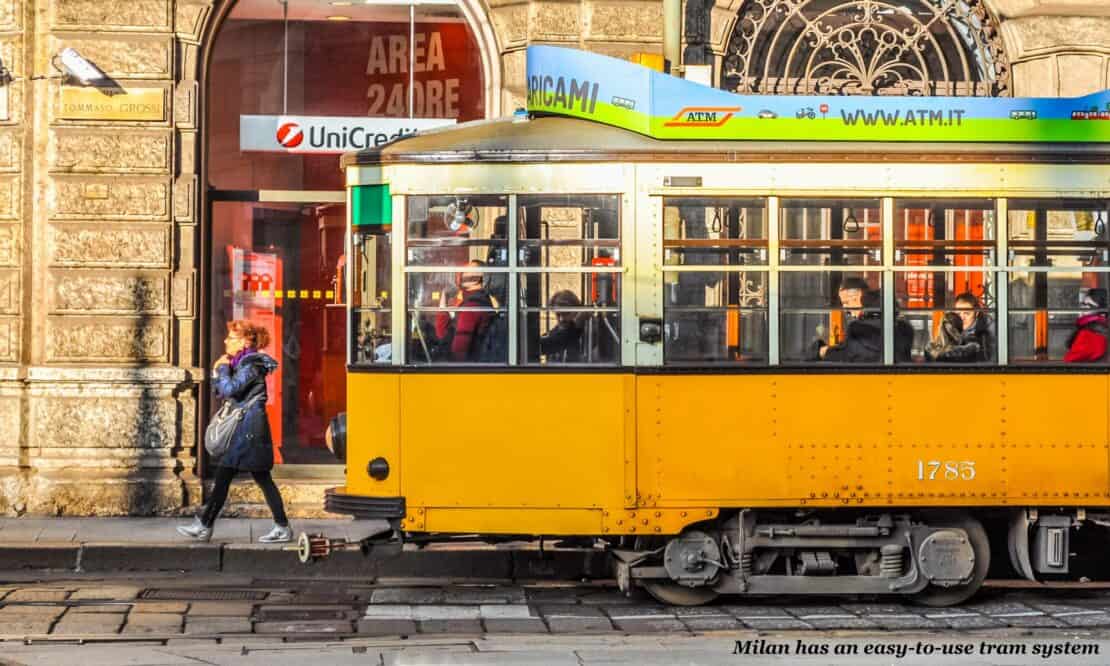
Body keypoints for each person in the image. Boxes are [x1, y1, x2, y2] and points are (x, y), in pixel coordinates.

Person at [178, 321, 291, 543]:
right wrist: (219, 372)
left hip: (249, 431)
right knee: (228, 477)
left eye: (230, 337)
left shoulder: (251, 364)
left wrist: (221, 369)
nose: (225, 341)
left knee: (259, 478)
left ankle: (282, 527)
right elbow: (223, 391)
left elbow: (230, 388)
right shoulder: (242, 363)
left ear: (244, 341)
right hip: (244, 429)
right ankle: (205, 525)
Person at [434, 260, 495, 362]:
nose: (462, 273)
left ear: (479, 276)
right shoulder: (477, 299)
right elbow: (442, 332)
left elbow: (458, 352)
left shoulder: (472, 307)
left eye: (467, 271)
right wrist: (444, 295)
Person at [819, 281, 882, 362]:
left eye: (846, 302)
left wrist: (823, 352)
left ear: (859, 297)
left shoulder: (859, 327)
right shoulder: (891, 321)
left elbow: (848, 354)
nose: (845, 308)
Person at [928, 293, 994, 363]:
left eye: (966, 313)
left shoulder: (988, 330)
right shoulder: (950, 326)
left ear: (976, 313)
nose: (962, 318)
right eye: (958, 314)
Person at [540, 290, 585, 363]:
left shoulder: (588, 330)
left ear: (577, 311)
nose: (561, 319)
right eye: (558, 315)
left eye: (566, 313)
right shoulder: (558, 329)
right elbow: (545, 343)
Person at [1065, 288, 1109, 362]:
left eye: (1089, 305)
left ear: (1102, 313)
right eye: (1083, 304)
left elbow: (1069, 362)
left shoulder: (1089, 335)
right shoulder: (1100, 332)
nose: (1083, 308)